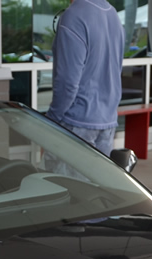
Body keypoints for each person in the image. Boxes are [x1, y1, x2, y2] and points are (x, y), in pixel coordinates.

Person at [46, 0, 125, 153]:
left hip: (76, 124)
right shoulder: (113, 14)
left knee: (60, 177)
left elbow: (67, 83)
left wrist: (51, 119)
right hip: (107, 122)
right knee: (98, 177)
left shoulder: (74, 16)